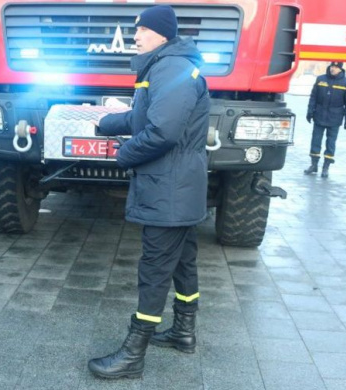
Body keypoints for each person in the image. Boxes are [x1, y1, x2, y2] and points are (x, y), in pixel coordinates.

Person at [87, 5, 210, 379]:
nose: (134, 36)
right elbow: (148, 117)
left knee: (154, 269)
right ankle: (183, 333)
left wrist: (124, 153)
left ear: (161, 34)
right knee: (183, 261)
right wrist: (106, 122)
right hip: (180, 186)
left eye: (141, 30)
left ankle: (132, 355)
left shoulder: (170, 68)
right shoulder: (169, 66)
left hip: (168, 188)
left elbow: (162, 132)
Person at [305, 61, 346, 178]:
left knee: (330, 143)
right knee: (315, 141)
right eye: (332, 66)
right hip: (319, 116)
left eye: (336, 67)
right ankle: (314, 165)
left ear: (340, 70)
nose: (333, 69)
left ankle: (326, 167)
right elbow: (313, 97)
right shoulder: (321, 79)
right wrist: (310, 111)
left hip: (335, 118)